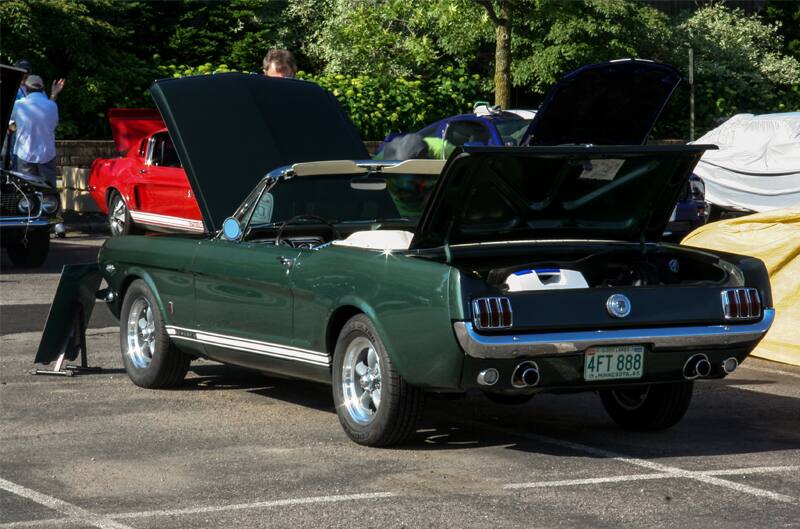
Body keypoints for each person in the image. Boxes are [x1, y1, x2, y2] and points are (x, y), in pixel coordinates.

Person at [11, 75, 59, 187]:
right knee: (49, 191)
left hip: (25, 153)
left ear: (26, 89)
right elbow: (54, 124)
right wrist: (53, 95)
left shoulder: (19, 105)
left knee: (26, 192)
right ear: (42, 89)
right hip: (47, 154)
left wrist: (16, 128)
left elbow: (9, 121)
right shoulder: (52, 106)